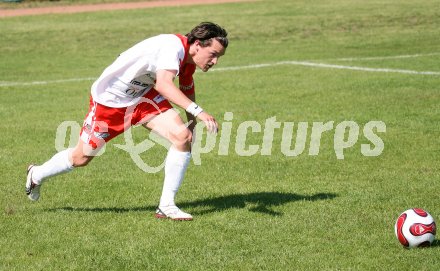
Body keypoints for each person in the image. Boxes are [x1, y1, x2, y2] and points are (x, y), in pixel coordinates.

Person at [25, 22, 228, 221]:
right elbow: (165, 85)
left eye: (219, 57)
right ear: (198, 44)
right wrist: (200, 112)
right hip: (110, 102)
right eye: (213, 54)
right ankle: (37, 174)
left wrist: (191, 126)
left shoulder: (188, 60)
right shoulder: (172, 47)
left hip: (142, 98)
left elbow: (186, 90)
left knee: (182, 137)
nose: (215, 61)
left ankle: (167, 206)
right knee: (81, 158)